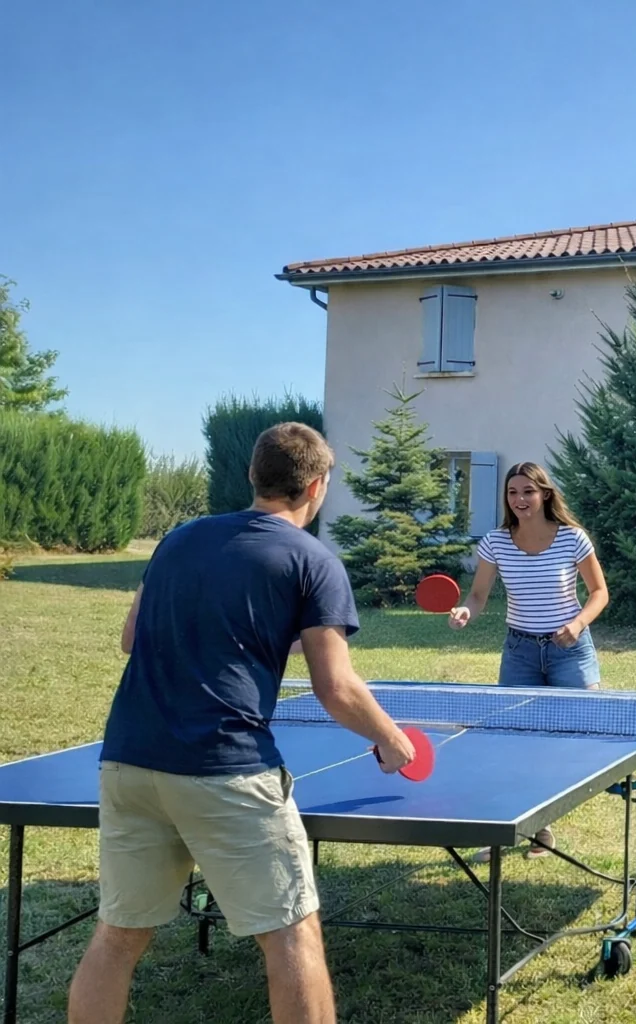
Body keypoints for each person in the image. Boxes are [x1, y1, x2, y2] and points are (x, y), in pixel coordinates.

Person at [67, 423, 417, 1024]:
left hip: (129, 760)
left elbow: (131, 638)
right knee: (292, 937)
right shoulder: (314, 560)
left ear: (253, 477)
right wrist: (391, 738)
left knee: (119, 936)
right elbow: (336, 688)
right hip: (225, 770)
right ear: (316, 484)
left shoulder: (178, 539)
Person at [449, 461, 610, 859]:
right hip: (520, 651)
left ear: (545, 494)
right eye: (512, 493)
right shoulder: (496, 542)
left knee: (582, 738)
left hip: (569, 650)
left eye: (528, 492)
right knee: (513, 742)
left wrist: (577, 623)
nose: (519, 499)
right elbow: (478, 595)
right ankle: (526, 828)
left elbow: (599, 593)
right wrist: (466, 612)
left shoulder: (573, 538)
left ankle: (543, 818)